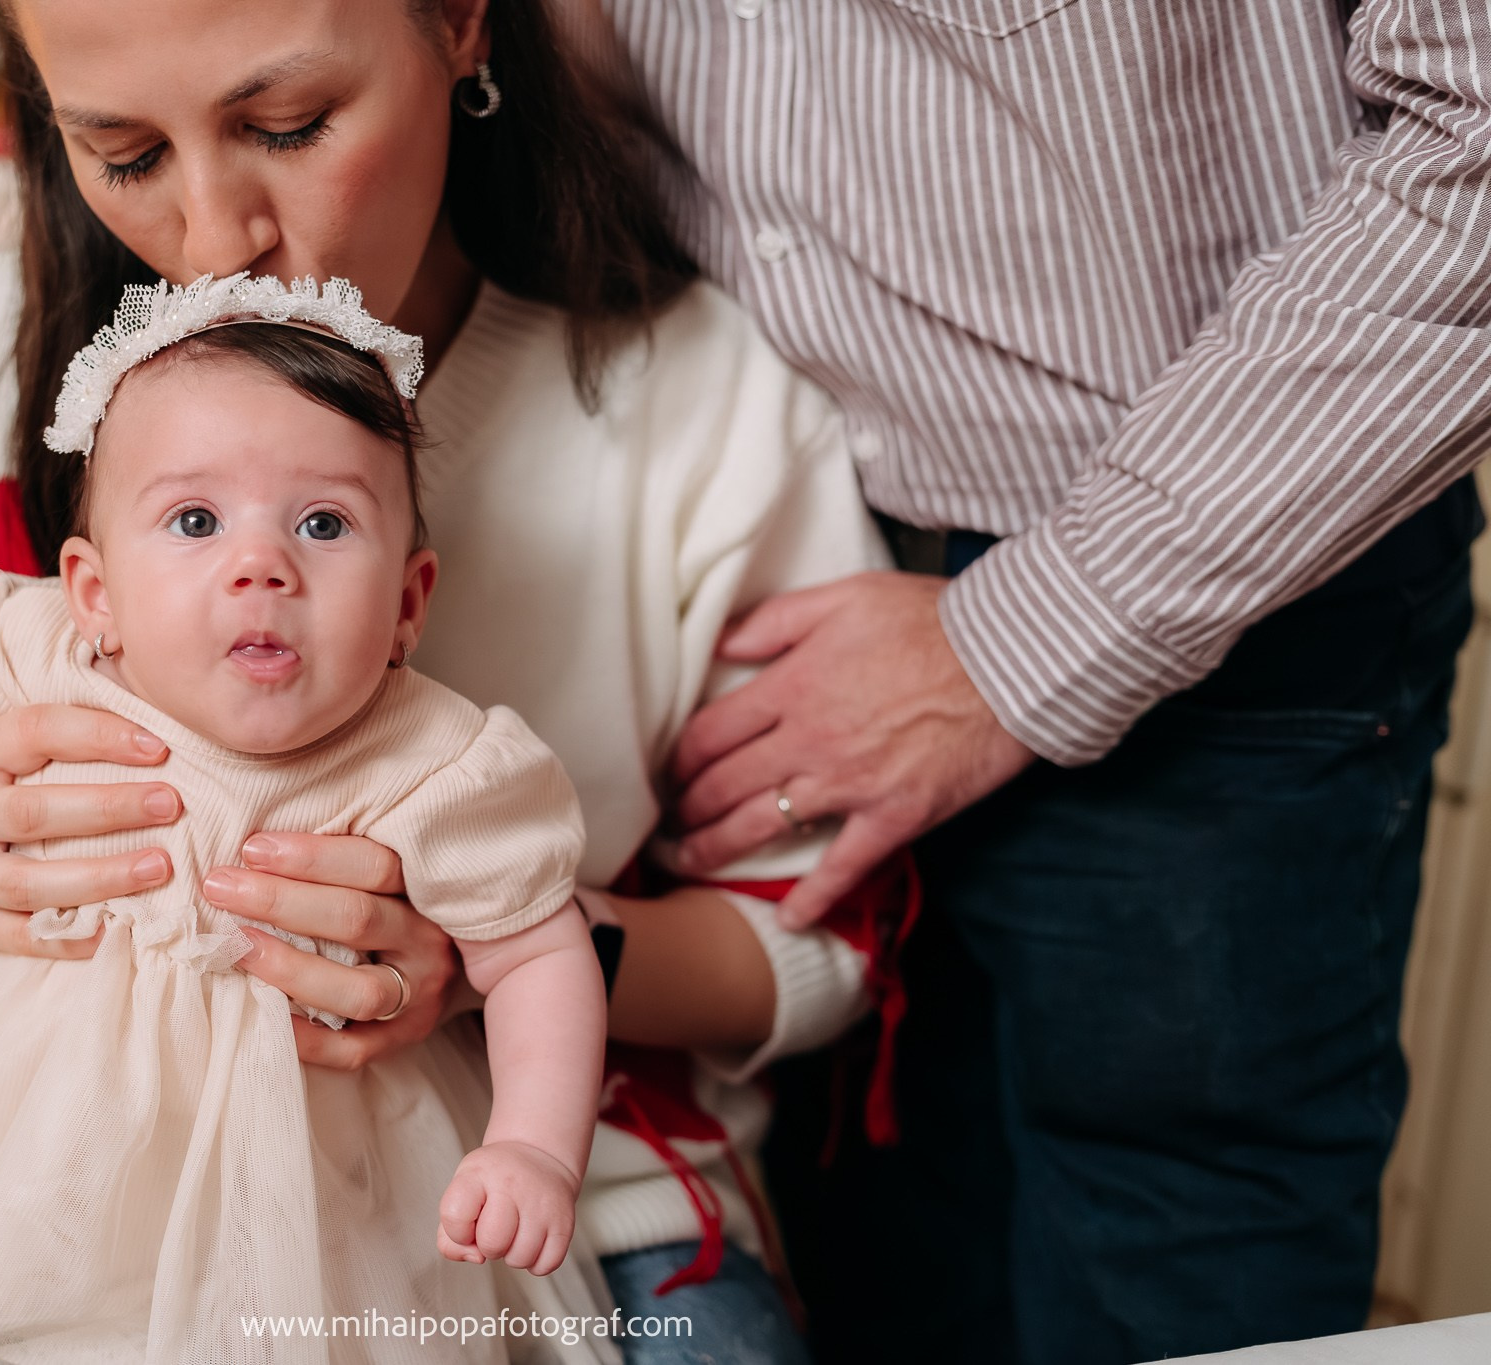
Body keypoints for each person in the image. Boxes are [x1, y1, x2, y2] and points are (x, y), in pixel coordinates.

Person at [0, 1, 898, 1358]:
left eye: (286, 127)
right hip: (61, 1205)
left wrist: (494, 960)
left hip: (585, 1211)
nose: (217, 242)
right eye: (125, 152)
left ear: (457, 23)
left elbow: (819, 939)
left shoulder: (695, 406)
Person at [559, 3, 1491, 1361]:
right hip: (771, 566)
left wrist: (1009, 647)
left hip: (1215, 584)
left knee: (1164, 1291)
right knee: (869, 1272)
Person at [0, 281, 613, 1363]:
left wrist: (533, 1147)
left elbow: (538, 954)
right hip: (8, 1135)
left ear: (405, 604)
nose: (261, 564)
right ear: (92, 593)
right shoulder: (40, 649)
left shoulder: (436, 761)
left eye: (323, 523)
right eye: (194, 521)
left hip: (304, 1176)